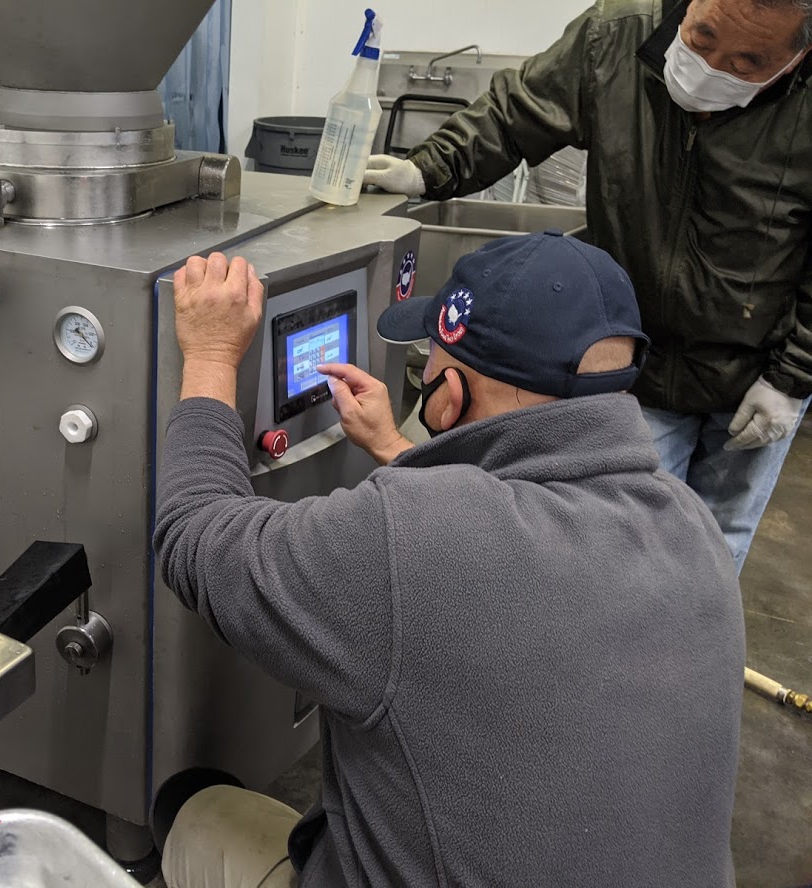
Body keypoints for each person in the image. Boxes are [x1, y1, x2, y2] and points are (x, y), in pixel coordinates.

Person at [153, 234, 745, 888]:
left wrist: (210, 353)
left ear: (449, 396)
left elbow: (195, 532)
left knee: (189, 800)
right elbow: (507, 536)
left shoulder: (409, 538)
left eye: (428, 367)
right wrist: (397, 446)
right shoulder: (693, 527)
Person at [363, 0, 812, 571]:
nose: (714, 67)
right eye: (701, 38)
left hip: (758, 369)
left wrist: (792, 378)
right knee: (616, 551)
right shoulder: (616, 36)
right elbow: (514, 114)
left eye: (748, 61)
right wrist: (429, 168)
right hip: (633, 363)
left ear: (800, 55)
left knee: (717, 550)